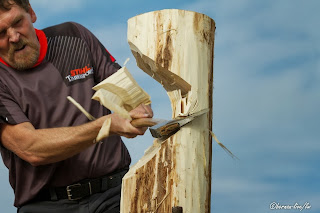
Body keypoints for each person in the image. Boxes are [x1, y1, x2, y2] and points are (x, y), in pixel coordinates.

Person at [0, 0, 153, 212]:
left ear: (31, 13)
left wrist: (138, 109)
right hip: (45, 206)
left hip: (114, 195)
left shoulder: (74, 36)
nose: (14, 37)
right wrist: (105, 125)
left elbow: (129, 97)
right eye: (1, 34)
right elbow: (31, 148)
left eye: (17, 22)